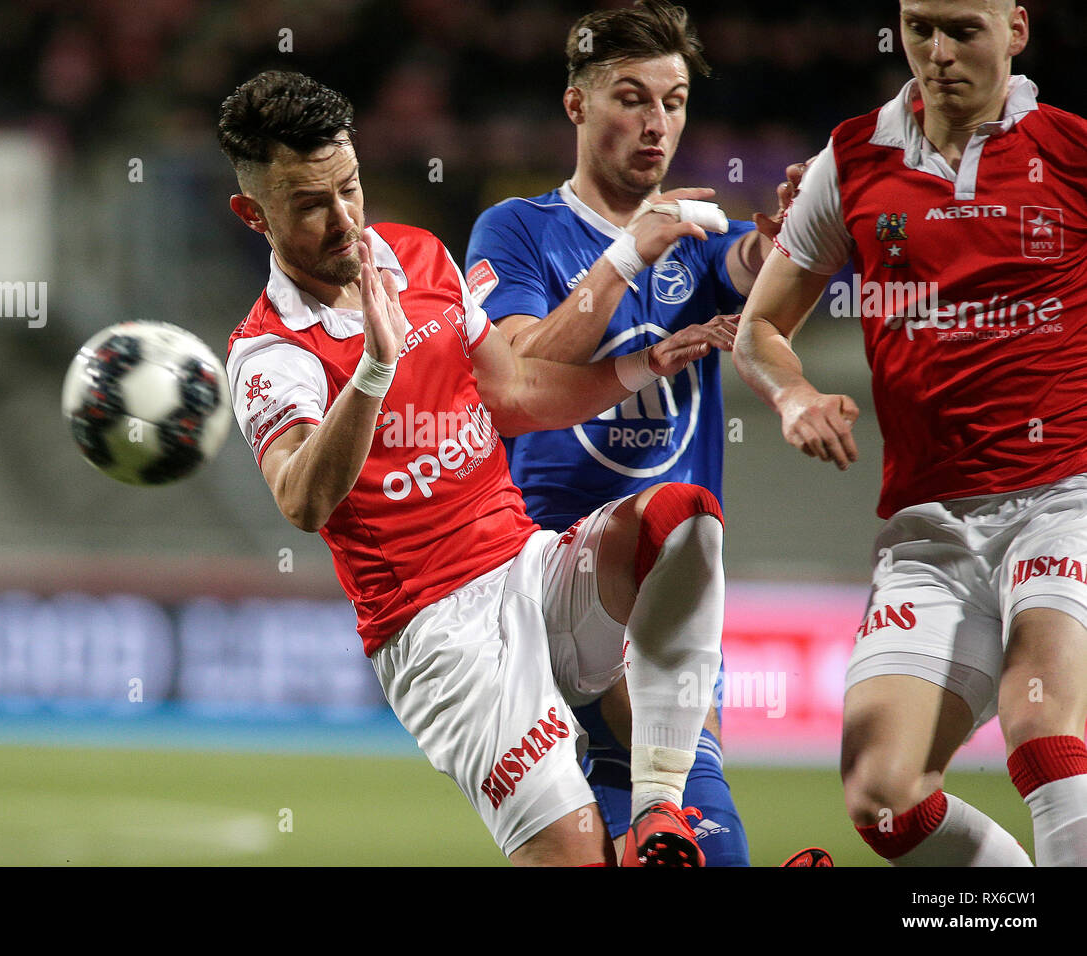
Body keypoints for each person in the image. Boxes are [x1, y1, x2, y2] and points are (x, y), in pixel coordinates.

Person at [220, 69, 736, 865]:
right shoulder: (268, 350)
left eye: (350, 187)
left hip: (526, 565)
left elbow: (519, 391)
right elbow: (303, 499)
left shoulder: (419, 258)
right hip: (436, 632)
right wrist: (373, 371)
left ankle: (660, 809)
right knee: (574, 857)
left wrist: (643, 366)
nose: (344, 220)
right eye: (310, 204)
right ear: (252, 214)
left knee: (681, 522)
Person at [734, 0, 1087, 865]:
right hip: (932, 527)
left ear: (1016, 29)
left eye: (962, 29)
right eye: (920, 27)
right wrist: (793, 399)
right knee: (883, 799)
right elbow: (758, 331)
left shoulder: (1074, 152)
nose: (936, 52)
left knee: (1041, 723)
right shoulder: (852, 160)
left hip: (1064, 497)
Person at [464, 0, 815, 865]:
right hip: (543, 594)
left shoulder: (698, 241)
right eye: (631, 97)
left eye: (675, 100)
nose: (657, 123)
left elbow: (761, 273)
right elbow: (522, 373)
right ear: (577, 105)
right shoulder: (516, 231)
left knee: (682, 841)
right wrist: (627, 257)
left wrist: (807, 231)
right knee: (682, 818)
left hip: (665, 608)